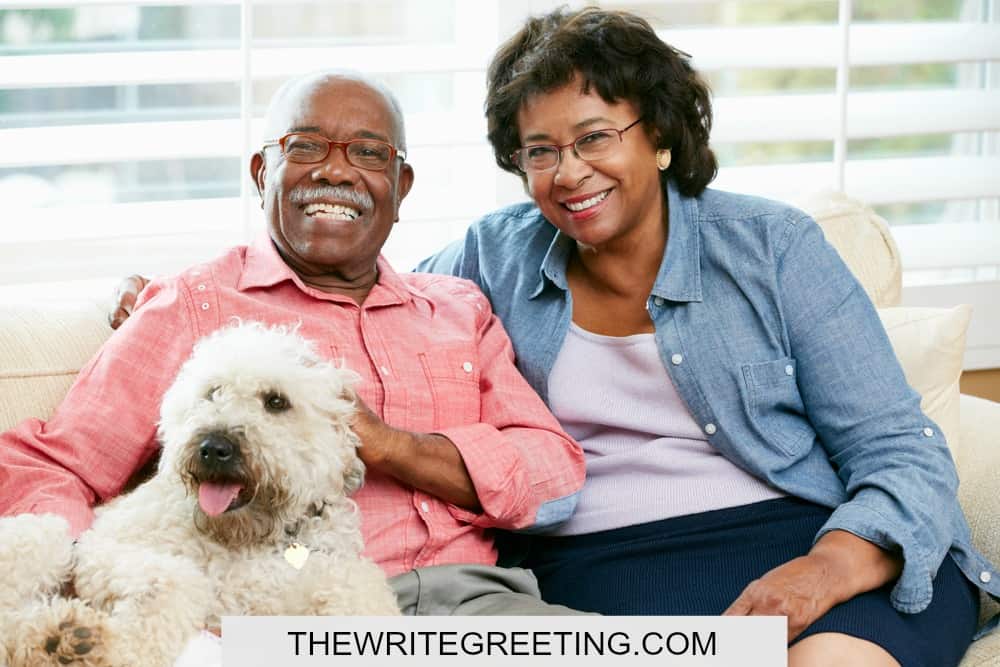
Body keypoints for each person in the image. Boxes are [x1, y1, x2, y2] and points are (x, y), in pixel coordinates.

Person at [108, 9, 998, 665]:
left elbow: (898, 449)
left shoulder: (773, 248)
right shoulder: (487, 259)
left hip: (809, 539)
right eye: (539, 150)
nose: (568, 172)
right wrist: (177, 301)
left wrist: (828, 566)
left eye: (595, 137)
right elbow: (351, 283)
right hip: (599, 578)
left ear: (660, 138)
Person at [0, 70, 587, 617]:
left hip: (479, 604)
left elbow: (553, 477)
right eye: (305, 146)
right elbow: (51, 466)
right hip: (288, 609)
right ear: (262, 173)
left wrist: (388, 447)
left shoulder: (456, 309)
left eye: (368, 152)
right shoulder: (195, 305)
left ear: (400, 186)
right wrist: (119, 583)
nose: (335, 172)